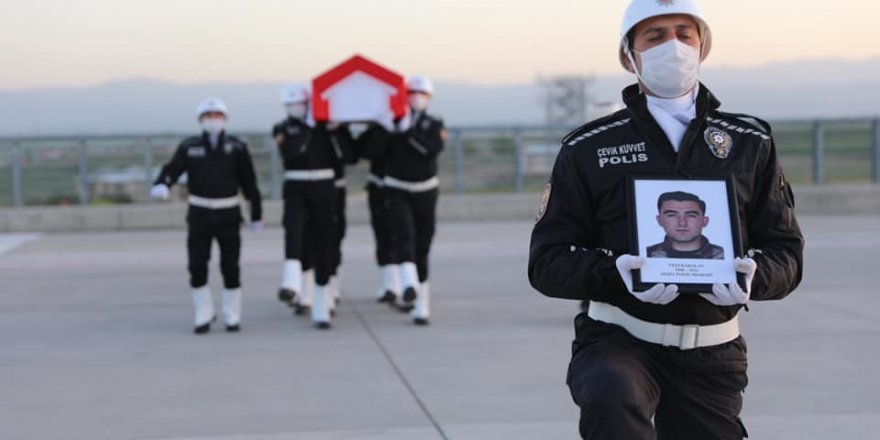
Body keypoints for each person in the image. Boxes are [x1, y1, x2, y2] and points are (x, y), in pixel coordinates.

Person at [527, 1, 804, 438]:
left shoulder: (749, 142)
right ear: (628, 55)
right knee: (611, 398)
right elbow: (546, 262)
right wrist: (613, 273)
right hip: (618, 339)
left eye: (683, 33)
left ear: (702, 46)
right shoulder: (589, 148)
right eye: (654, 37)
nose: (671, 46)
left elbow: (786, 253)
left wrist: (756, 276)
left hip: (712, 351)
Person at [151, 97, 262, 334]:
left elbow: (250, 183)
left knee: (230, 266)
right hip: (199, 214)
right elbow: (173, 168)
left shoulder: (237, 147)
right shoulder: (189, 147)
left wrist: (256, 214)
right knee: (196, 265)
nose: (213, 120)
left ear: (225, 118)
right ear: (200, 119)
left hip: (229, 214)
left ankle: (232, 314)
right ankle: (203, 311)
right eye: (208, 116)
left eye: (217, 115)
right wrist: (163, 183)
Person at [361, 75, 445, 325]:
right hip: (397, 189)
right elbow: (371, 154)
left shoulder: (433, 124)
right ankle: (408, 286)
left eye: (421, 93)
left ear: (428, 98)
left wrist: (406, 132)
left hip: (426, 191)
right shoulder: (392, 124)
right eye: (411, 92)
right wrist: (385, 128)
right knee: (404, 236)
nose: (416, 97)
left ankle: (422, 304)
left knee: (423, 243)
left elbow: (430, 150)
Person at [272, 83, 353, 329]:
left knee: (324, 243)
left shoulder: (327, 128)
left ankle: (321, 302)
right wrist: (310, 127)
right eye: (290, 104)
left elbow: (350, 156)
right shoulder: (284, 128)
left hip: (324, 189)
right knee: (295, 232)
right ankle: (292, 283)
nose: (293, 108)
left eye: (297, 103)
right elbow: (292, 154)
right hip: (296, 188)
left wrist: (336, 130)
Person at [647, 190, 724, 259]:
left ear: (705, 221)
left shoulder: (724, 256)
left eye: (691, 215)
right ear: (659, 220)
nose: (682, 223)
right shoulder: (646, 255)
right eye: (672, 215)